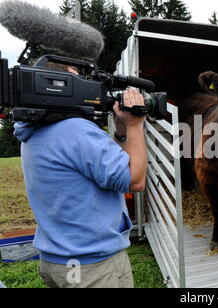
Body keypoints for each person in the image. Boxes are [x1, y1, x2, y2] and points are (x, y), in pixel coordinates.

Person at [14, 63, 147, 288]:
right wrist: (135, 125)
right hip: (91, 266)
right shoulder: (75, 129)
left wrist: (122, 131)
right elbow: (134, 180)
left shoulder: (33, 130)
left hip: (58, 260)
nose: (85, 87)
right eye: (76, 81)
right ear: (54, 86)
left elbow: (107, 167)